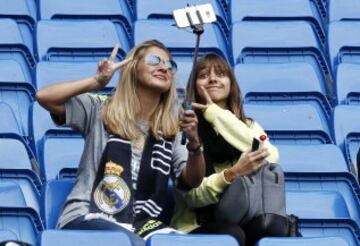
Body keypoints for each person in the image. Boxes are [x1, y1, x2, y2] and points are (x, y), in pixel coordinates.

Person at [36, 40, 205, 245]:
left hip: (141, 225)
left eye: (170, 64)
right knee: (130, 242)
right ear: (133, 68)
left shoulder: (171, 128)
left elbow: (192, 180)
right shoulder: (101, 109)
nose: (163, 67)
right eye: (154, 60)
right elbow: (45, 97)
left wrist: (195, 142)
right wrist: (96, 81)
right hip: (88, 215)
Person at [171, 53, 281, 246]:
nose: (213, 78)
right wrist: (233, 173)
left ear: (231, 84)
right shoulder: (186, 127)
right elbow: (193, 196)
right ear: (194, 85)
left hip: (247, 218)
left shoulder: (250, 126)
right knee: (232, 235)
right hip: (197, 225)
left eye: (221, 74)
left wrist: (214, 113)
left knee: (275, 230)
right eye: (204, 75)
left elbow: (270, 157)